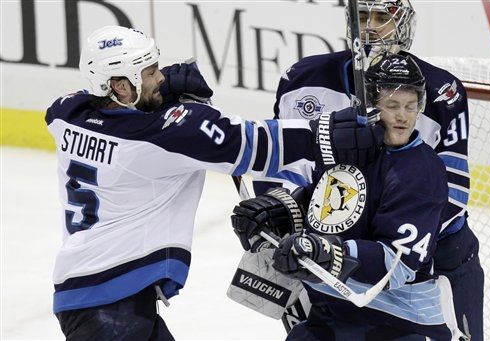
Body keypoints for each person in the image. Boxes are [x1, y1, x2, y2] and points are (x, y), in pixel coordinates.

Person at [46, 25, 384, 340]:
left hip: (96, 292)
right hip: (110, 303)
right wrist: (327, 131)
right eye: (150, 73)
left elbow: (109, 118)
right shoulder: (164, 137)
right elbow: (256, 145)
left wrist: (165, 98)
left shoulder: (66, 115)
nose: (160, 77)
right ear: (120, 86)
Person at [253, 1, 483, 338]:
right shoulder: (304, 79)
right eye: (362, 17)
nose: (371, 27)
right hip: (326, 256)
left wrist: (362, 245)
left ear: (403, 23)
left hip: (431, 262)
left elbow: (452, 195)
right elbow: (282, 168)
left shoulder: (441, 92)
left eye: (381, 18)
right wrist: (280, 213)